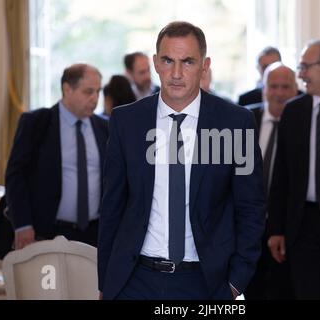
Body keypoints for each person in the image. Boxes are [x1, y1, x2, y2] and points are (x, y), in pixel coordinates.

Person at [98, 21, 265, 300]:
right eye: (168, 60)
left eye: (187, 61)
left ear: (205, 65)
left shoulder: (235, 122)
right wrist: (106, 282)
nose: (176, 73)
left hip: (206, 283)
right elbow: (112, 207)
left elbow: (251, 208)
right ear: (155, 63)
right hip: (134, 280)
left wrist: (236, 282)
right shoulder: (126, 121)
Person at [267, 40, 320, 299]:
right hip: (303, 223)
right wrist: (276, 228)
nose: (300, 75)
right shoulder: (294, 111)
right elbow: (281, 175)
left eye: (305, 67)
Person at [5, 63, 109, 249]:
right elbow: (15, 176)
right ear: (67, 89)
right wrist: (22, 224)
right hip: (48, 231)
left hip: (97, 233)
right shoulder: (37, 123)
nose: (95, 99)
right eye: (88, 92)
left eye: (98, 92)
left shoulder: (105, 128)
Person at [245, 62, 298, 300]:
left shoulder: (302, 121)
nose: (279, 93)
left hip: (286, 227)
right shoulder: (245, 118)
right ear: (264, 88)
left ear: (296, 89)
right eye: (273, 86)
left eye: (285, 87)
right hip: (248, 224)